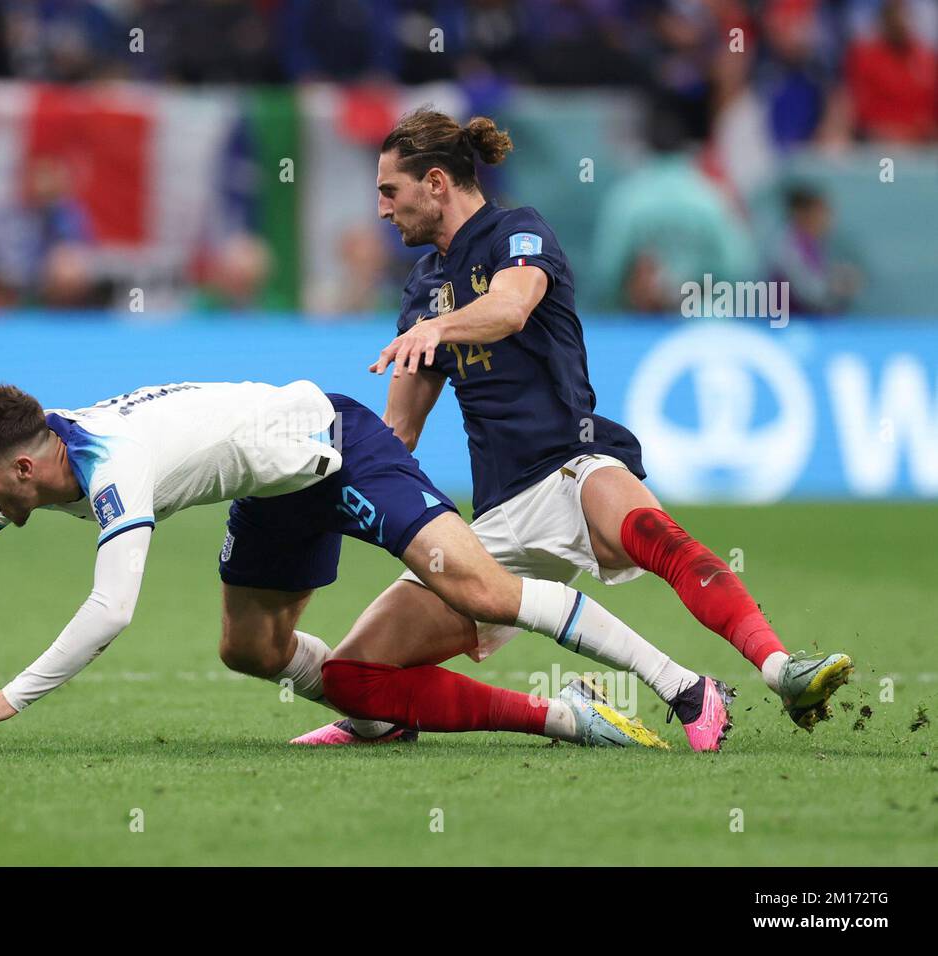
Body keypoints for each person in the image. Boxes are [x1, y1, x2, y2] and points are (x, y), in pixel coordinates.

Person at [293, 109, 851, 751]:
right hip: (496, 518)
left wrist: (437, 329)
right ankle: (556, 716)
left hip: (573, 464)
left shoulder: (517, 231)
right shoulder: (421, 290)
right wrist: (321, 480)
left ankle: (781, 670)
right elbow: (399, 432)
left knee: (652, 535)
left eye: (390, 192)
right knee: (353, 675)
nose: (383, 211)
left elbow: (511, 306)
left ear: (437, 182)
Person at [0, 379, 677, 749]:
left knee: (479, 588)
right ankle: (403, 721)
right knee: (248, 650)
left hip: (335, 444)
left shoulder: (112, 470)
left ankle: (666, 680)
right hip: (273, 484)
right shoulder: (31, 450)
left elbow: (111, 611)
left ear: (25, 468)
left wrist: (8, 697)